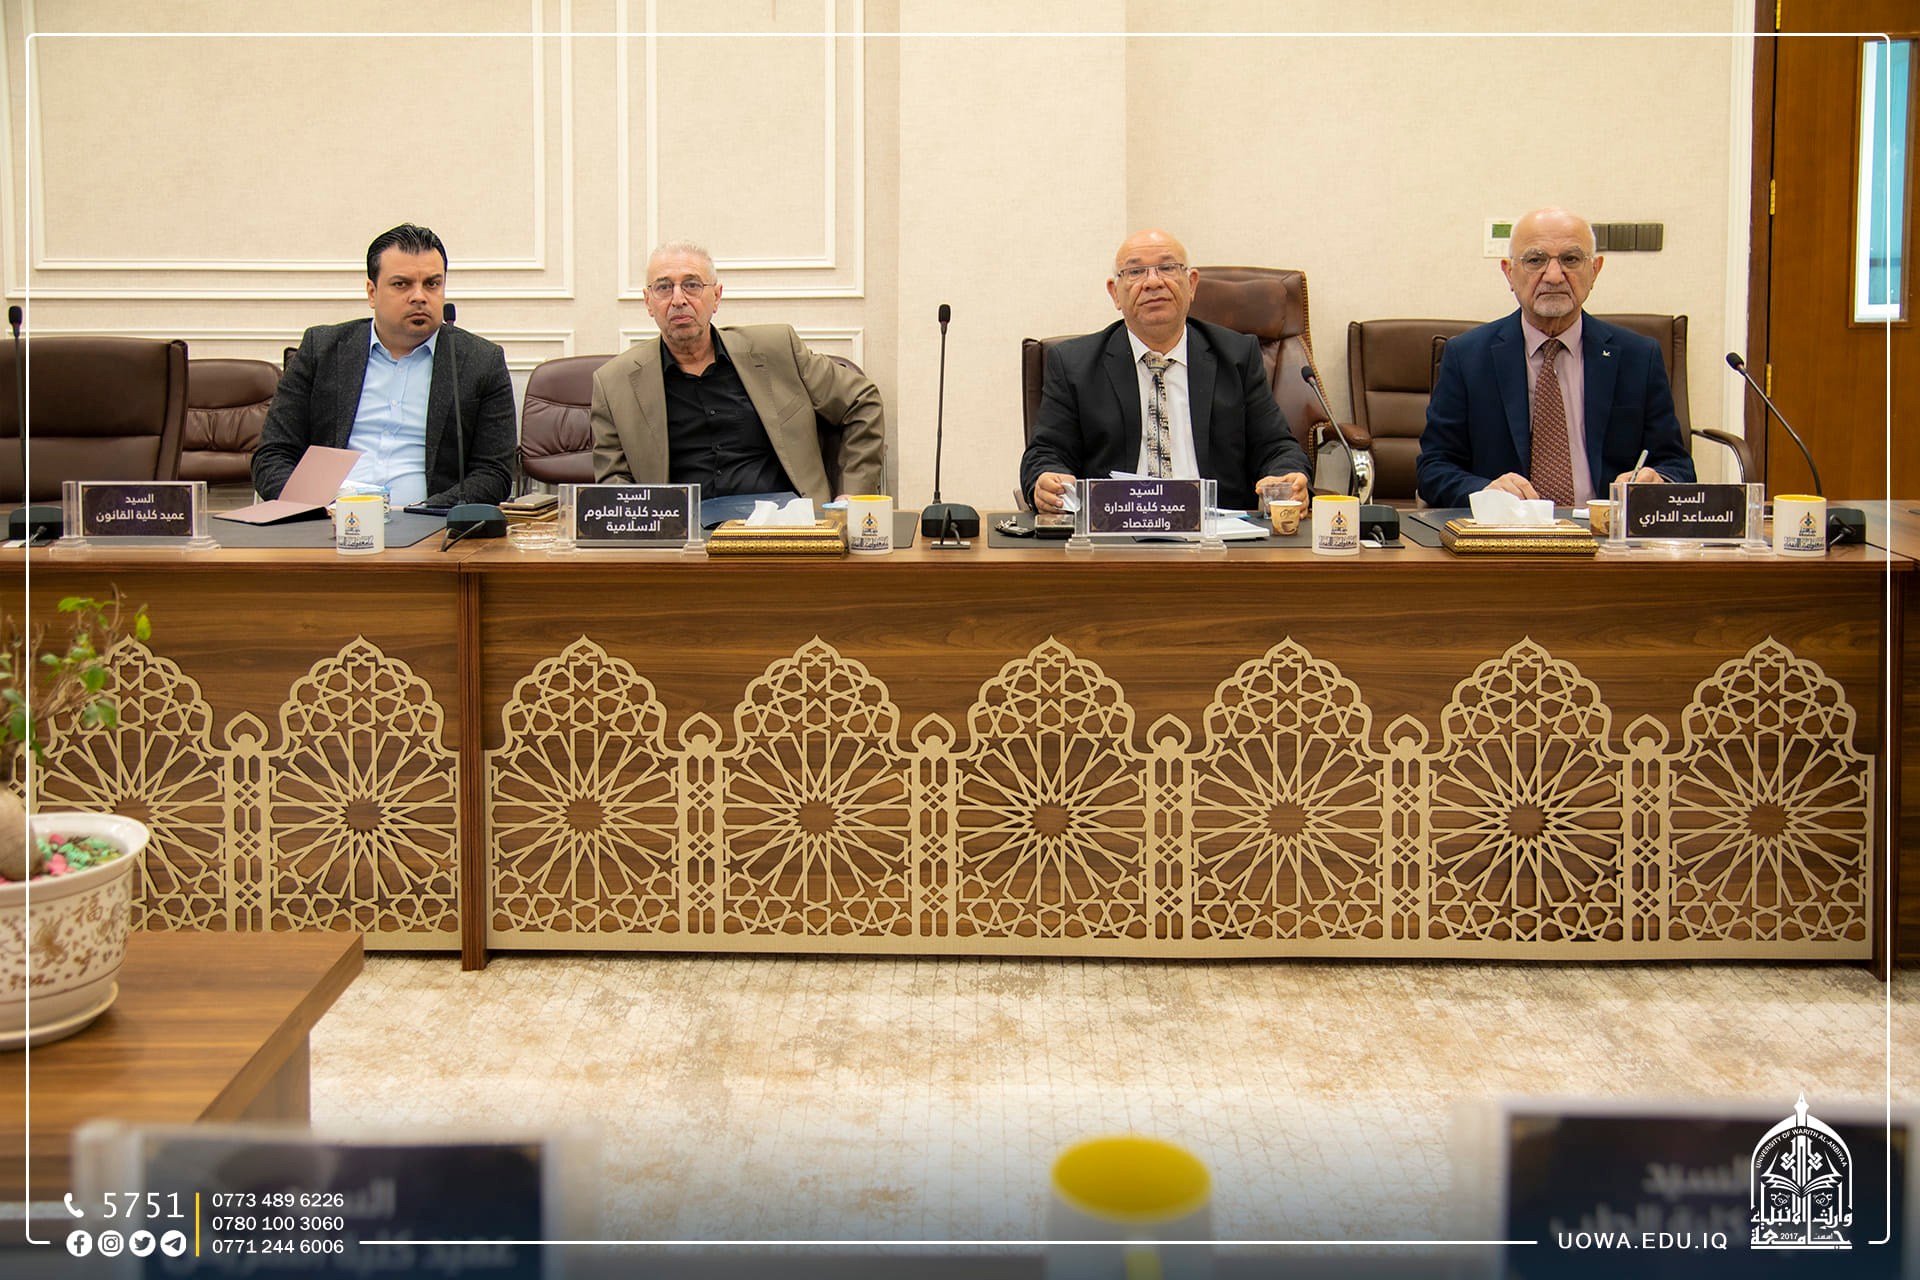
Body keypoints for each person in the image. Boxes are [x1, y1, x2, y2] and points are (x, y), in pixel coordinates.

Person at [1416, 206, 1695, 509]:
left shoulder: (1639, 357)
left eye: (1570, 259)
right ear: (1509, 272)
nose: (1553, 276)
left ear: (1595, 270)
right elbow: (1434, 468)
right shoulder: (1467, 357)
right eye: (1535, 260)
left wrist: (1658, 480)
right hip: (1507, 531)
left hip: (1602, 532)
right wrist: (1486, 491)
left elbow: (1676, 466)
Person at [1020, 229, 1311, 515]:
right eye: (1135, 272)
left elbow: (1276, 447)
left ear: (1192, 284)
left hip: (1217, 531)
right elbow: (1046, 453)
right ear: (1114, 293)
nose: (1153, 282)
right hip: (1114, 531)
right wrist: (1046, 480)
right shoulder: (1074, 364)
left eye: (1168, 268)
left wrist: (1287, 477)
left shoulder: (1237, 356)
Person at [589, 241, 885, 506]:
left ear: (716, 296)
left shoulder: (777, 350)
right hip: (683, 536)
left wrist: (853, 495)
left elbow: (861, 400)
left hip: (784, 527)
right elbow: (614, 483)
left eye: (692, 285)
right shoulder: (615, 383)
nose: (678, 299)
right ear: (648, 302)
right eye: (664, 287)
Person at [252, 224, 515, 508]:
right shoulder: (322, 349)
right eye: (401, 284)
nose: (419, 296)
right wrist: (314, 509)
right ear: (372, 292)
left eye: (432, 284)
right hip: (327, 520)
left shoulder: (480, 360)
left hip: (430, 526)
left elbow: (493, 473)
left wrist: (424, 514)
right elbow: (273, 455)